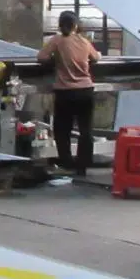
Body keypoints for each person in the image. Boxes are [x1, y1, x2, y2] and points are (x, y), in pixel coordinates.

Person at [38, 10, 100, 175]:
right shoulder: (84, 41)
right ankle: (82, 166)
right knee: (86, 130)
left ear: (60, 25)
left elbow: (41, 57)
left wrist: (55, 60)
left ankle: (67, 163)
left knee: (62, 130)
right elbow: (96, 58)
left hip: (65, 92)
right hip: (86, 91)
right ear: (76, 25)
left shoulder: (57, 40)